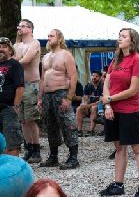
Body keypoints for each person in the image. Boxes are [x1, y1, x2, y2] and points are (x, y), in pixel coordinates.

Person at [100, 28, 139, 197]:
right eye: (119, 36)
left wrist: (110, 99)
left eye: (123, 36)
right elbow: (107, 83)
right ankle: (118, 184)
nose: (119, 39)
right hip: (113, 110)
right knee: (119, 147)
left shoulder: (138, 60)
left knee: (138, 148)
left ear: (132, 41)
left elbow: (133, 90)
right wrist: (107, 105)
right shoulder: (116, 60)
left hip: (131, 110)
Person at [37, 29, 80, 169]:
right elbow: (42, 78)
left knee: (68, 124)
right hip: (47, 95)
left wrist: (69, 98)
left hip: (61, 93)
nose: (49, 38)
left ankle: (73, 157)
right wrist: (40, 98)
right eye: (48, 36)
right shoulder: (45, 57)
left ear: (59, 38)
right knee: (51, 126)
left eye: (52, 36)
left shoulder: (66, 55)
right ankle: (53, 156)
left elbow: (73, 77)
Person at [0, 37, 25, 156]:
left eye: (4, 47)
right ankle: (1, 166)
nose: (1, 49)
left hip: (8, 109)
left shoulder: (15, 64)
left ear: (10, 50)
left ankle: (13, 166)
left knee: (11, 143)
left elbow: (20, 87)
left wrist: (15, 106)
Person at [14, 19, 43, 163]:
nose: (19, 28)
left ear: (30, 29)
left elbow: (26, 60)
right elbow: (14, 60)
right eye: (18, 26)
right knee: (23, 120)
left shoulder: (35, 43)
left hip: (31, 84)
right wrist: (17, 59)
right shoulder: (16, 45)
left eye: (23, 26)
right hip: (19, 85)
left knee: (31, 119)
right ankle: (28, 148)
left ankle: (36, 150)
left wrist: (17, 59)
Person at [76, 70, 104, 136]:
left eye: (96, 76)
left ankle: (91, 130)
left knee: (94, 108)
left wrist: (88, 105)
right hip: (89, 105)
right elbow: (85, 98)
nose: (94, 77)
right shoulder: (88, 86)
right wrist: (84, 104)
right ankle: (79, 130)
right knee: (79, 108)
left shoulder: (102, 86)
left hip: (100, 107)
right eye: (93, 75)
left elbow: (101, 101)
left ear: (100, 77)